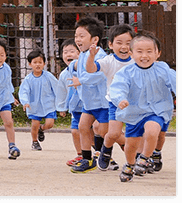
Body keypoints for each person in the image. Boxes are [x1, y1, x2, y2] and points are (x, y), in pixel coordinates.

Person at [108, 32, 175, 182]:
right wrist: (121, 99)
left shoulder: (163, 69)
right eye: (140, 52)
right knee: (131, 145)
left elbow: (174, 82)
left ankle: (145, 157)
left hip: (156, 110)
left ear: (158, 53)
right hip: (134, 112)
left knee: (152, 131)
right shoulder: (126, 72)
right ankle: (130, 164)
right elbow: (118, 87)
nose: (144, 55)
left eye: (149, 51)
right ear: (131, 54)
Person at [68, 16, 108, 173]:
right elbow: (75, 66)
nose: (77, 39)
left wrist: (81, 80)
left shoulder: (100, 55)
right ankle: (87, 159)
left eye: (82, 36)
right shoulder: (83, 54)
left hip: (103, 103)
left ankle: (135, 151)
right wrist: (74, 65)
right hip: (89, 103)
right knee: (83, 127)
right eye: (76, 36)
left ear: (95, 39)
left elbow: (100, 75)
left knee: (107, 133)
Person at [93, 24, 134, 171]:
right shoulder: (108, 61)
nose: (124, 47)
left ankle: (141, 159)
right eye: (119, 42)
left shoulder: (137, 60)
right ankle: (106, 150)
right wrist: (91, 56)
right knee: (114, 133)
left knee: (138, 133)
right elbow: (92, 68)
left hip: (135, 104)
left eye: (128, 43)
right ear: (110, 44)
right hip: (115, 102)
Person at [18, 50, 65, 151]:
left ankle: (42, 129)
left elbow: (57, 89)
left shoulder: (48, 76)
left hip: (49, 105)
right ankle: (35, 142)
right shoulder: (28, 79)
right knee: (34, 124)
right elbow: (24, 92)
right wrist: (25, 102)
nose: (38, 65)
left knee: (50, 124)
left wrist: (61, 104)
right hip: (34, 106)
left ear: (44, 63)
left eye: (40, 62)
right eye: (35, 62)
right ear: (30, 64)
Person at [57, 39, 83, 166]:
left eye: (72, 51)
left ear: (80, 54)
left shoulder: (84, 70)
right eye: (65, 52)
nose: (68, 54)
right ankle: (80, 154)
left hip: (88, 107)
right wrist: (62, 107)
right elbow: (62, 92)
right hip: (74, 108)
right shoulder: (63, 75)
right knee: (75, 131)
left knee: (93, 132)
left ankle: (100, 154)